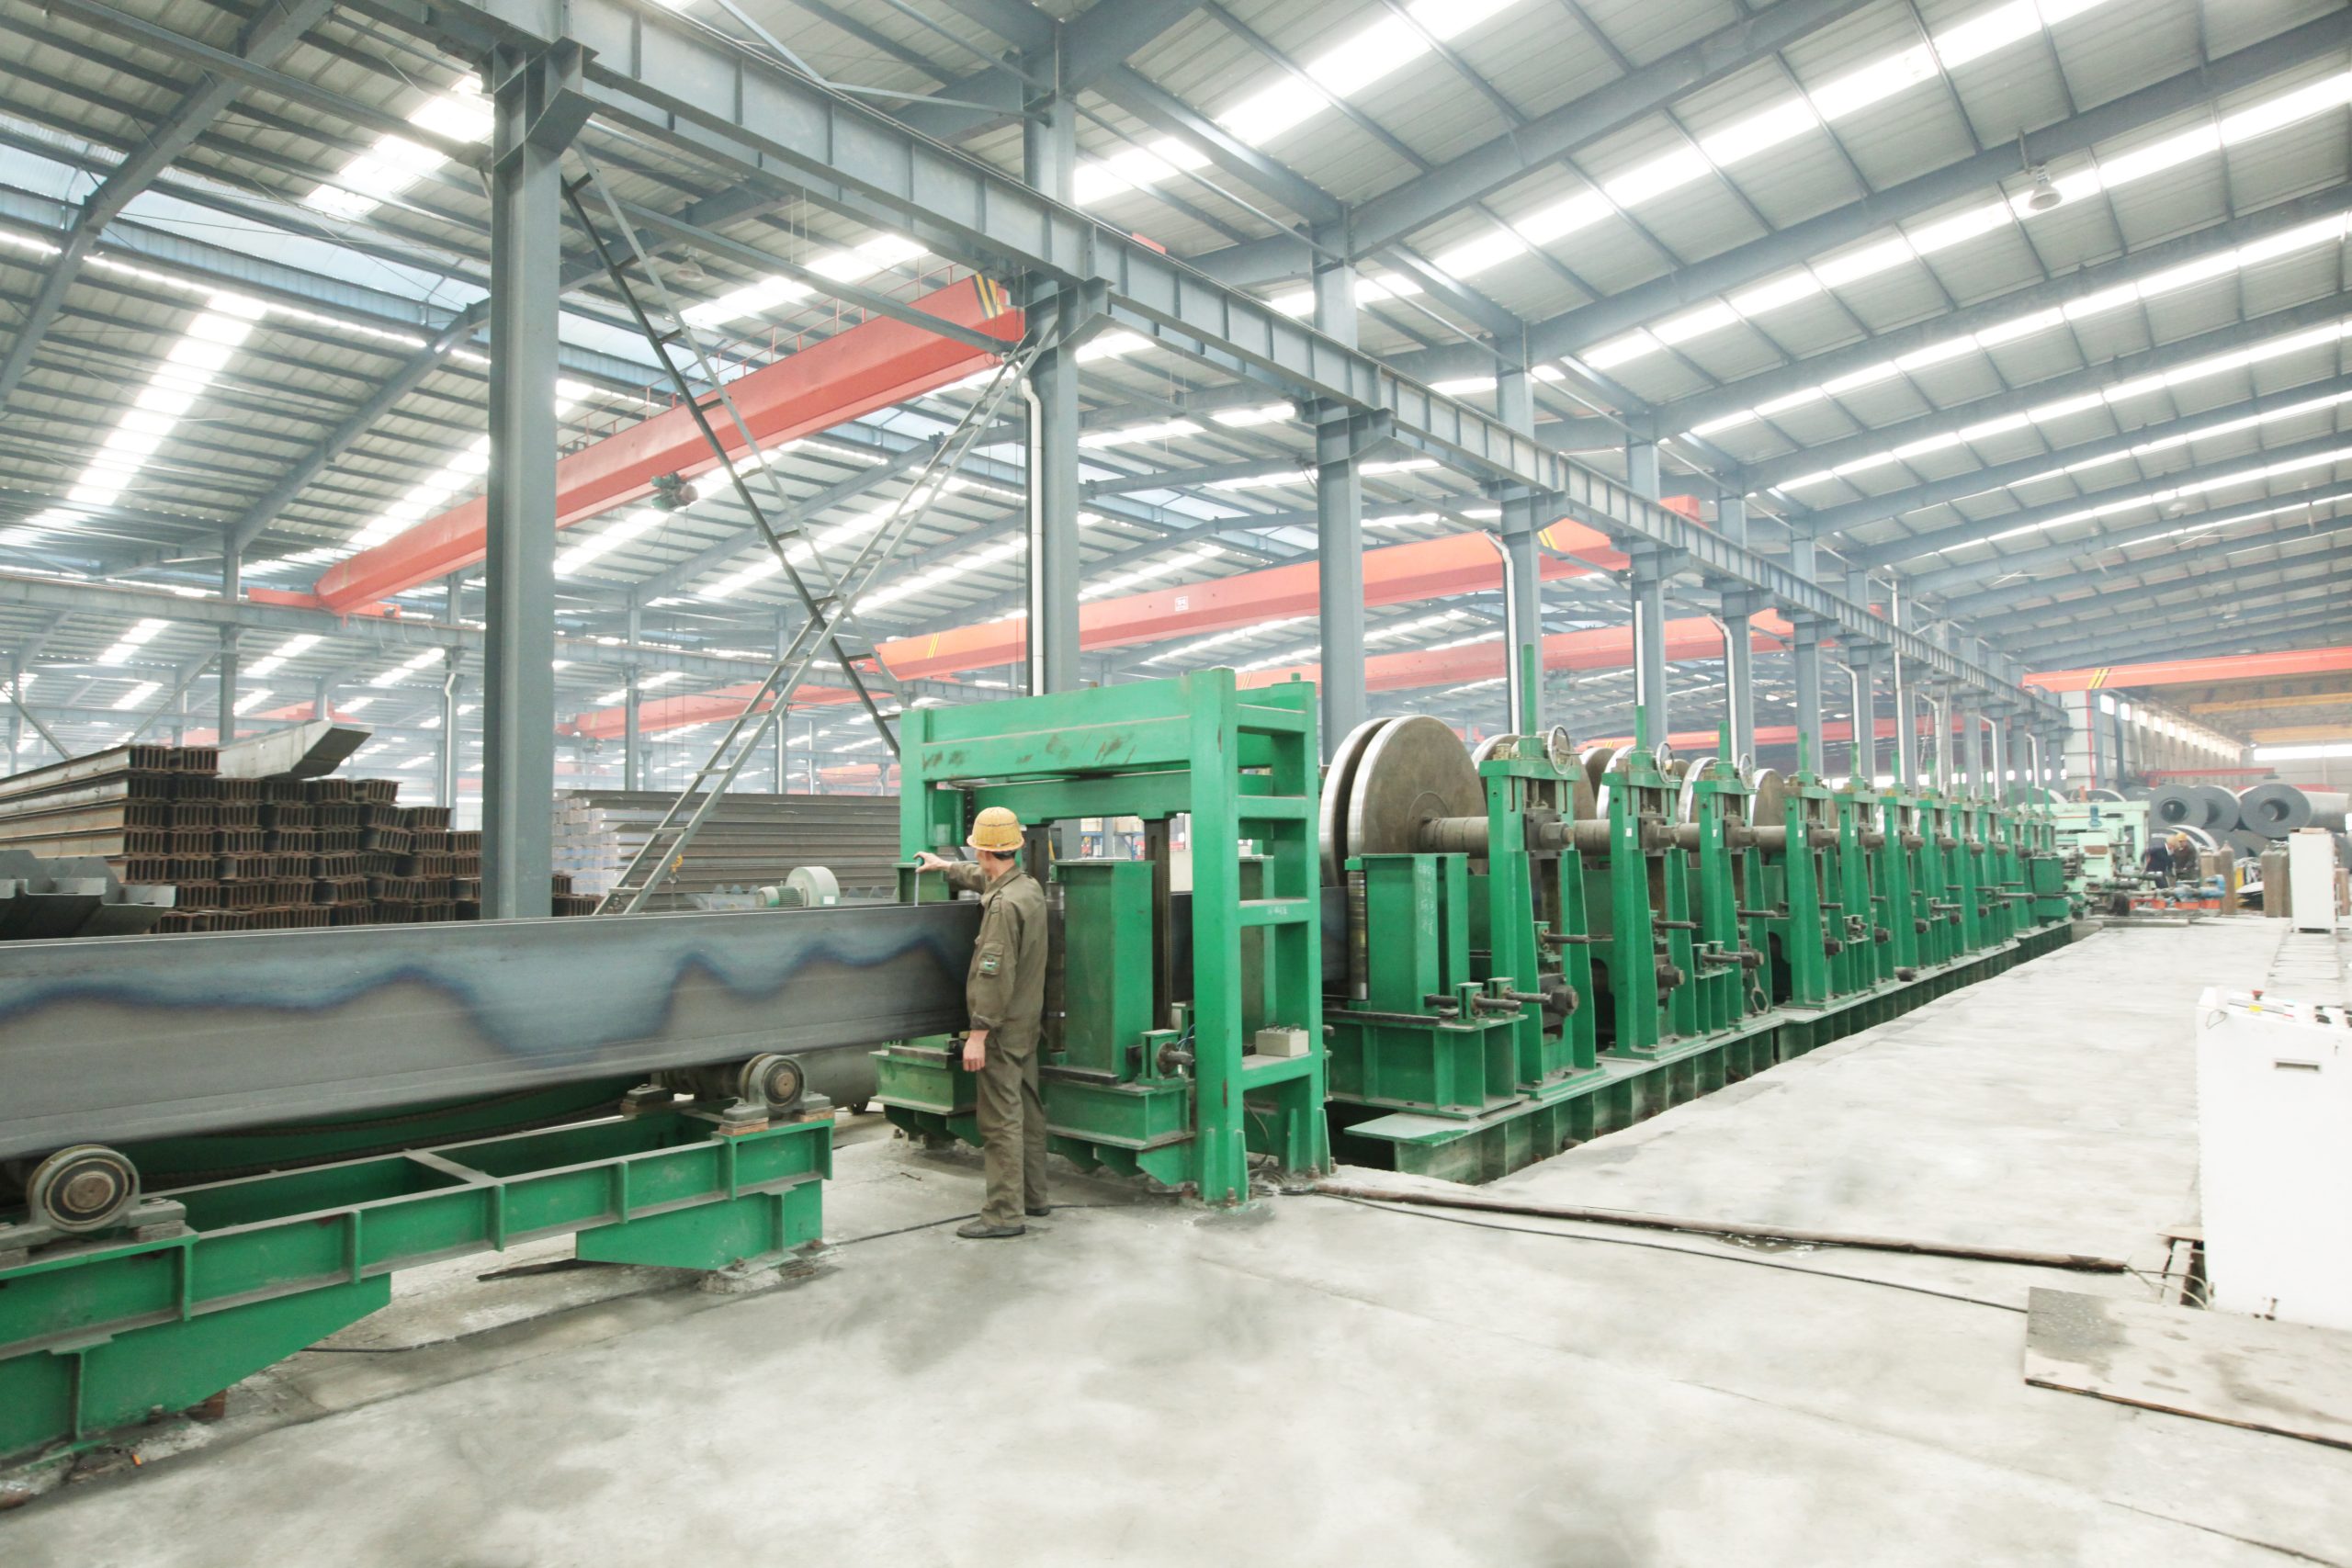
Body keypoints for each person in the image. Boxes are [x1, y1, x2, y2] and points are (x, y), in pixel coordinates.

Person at [914, 807, 1050, 1239]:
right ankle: (1034, 1196)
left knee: (999, 1120)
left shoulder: (1002, 908)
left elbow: (993, 975)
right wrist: (946, 867)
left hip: (1001, 1028)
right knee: (1026, 1108)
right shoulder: (1027, 888)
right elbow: (987, 879)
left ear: (984, 850)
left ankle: (1004, 1214)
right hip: (1026, 1021)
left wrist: (978, 1035)